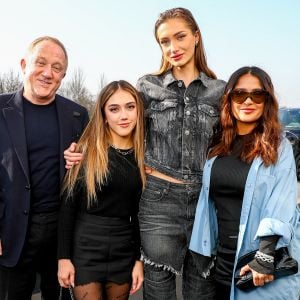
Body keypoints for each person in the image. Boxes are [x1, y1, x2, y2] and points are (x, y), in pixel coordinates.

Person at [64, 7, 225, 299]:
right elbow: (120, 125)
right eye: (165, 41)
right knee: (159, 292)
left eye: (180, 37)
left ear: (197, 37)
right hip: (159, 202)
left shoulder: (219, 91)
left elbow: (228, 144)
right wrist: (82, 150)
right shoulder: (148, 87)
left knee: (202, 289)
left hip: (205, 202)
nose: (173, 48)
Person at [190, 66, 300, 299]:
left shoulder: (279, 146)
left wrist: (265, 254)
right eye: (240, 94)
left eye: (257, 94)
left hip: (257, 264)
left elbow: (282, 202)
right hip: (221, 263)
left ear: (267, 100)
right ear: (229, 99)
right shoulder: (218, 144)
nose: (248, 101)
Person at [0, 36, 89, 300]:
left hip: (60, 235)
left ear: (64, 74)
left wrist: (83, 163)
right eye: (41, 63)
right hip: (11, 229)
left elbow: (88, 175)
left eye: (57, 67)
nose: (48, 73)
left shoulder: (77, 115)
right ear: (24, 64)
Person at [57, 80, 145, 300]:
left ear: (138, 111)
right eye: (114, 109)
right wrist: (63, 258)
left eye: (130, 107)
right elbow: (67, 210)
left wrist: (137, 260)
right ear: (104, 115)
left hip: (123, 251)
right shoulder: (85, 153)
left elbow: (138, 215)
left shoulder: (145, 158)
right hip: (86, 250)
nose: (123, 115)